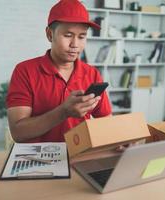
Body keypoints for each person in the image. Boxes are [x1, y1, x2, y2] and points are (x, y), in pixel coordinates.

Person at [6, 0, 112, 143]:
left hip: (79, 154)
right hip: (37, 157)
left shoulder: (92, 74)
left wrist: (121, 139)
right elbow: (18, 133)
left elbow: (106, 121)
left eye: (82, 36)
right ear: (50, 34)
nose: (75, 44)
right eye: (68, 35)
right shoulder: (24, 71)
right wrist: (63, 112)